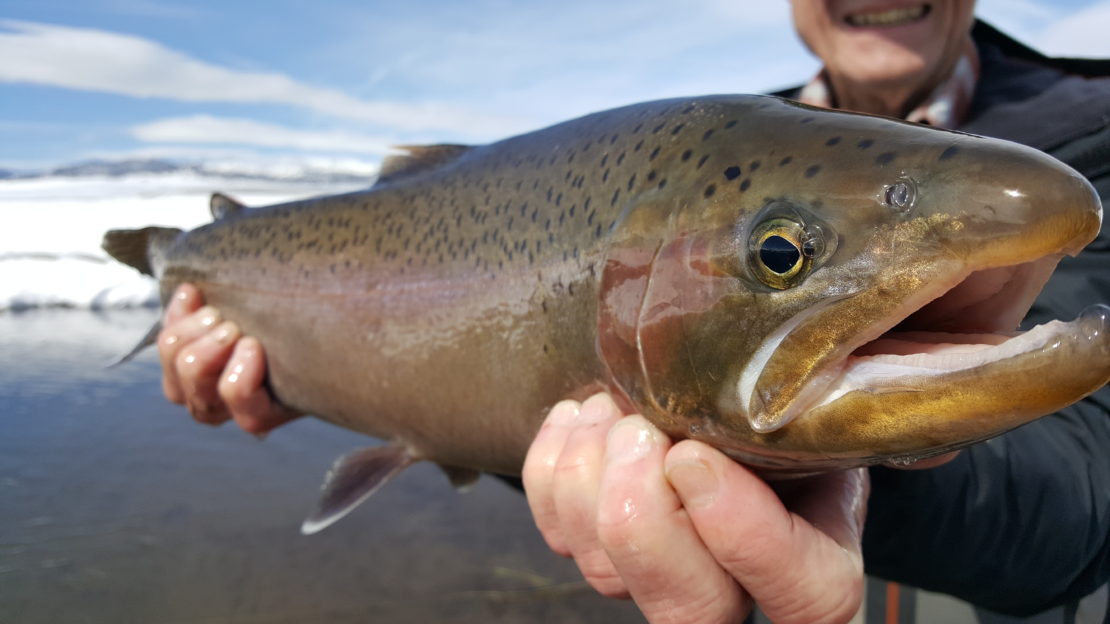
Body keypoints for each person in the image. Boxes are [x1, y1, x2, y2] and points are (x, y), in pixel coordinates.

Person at [156, 2, 1110, 622]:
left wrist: (830, 477)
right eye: (782, 256)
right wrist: (313, 368)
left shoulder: (1095, 126)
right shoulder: (722, 149)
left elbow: (1083, 496)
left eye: (782, 254)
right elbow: (507, 354)